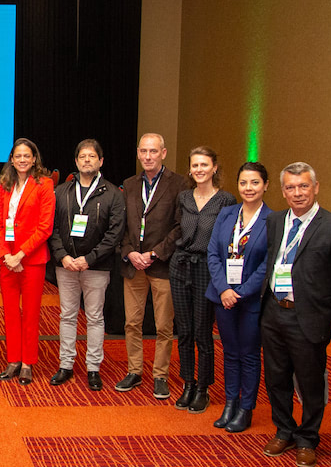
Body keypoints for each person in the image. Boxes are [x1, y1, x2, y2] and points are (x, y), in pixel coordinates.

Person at [259, 162, 331, 467]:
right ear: (283, 191)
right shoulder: (275, 221)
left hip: (309, 317)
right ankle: (284, 430)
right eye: (291, 187)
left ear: (315, 188)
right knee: (276, 377)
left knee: (311, 382)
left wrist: (325, 311)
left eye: (303, 186)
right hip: (273, 311)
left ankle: (307, 438)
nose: (297, 193)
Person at [48, 139, 126, 391]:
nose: (87, 160)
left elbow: (114, 234)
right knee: (67, 316)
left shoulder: (113, 194)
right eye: (82, 156)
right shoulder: (61, 192)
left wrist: (89, 258)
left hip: (96, 266)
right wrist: (63, 256)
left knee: (94, 317)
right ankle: (66, 365)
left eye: (92, 156)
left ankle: (93, 368)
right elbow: (52, 228)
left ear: (101, 161)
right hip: (66, 265)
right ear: (76, 161)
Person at [205, 162, 275, 432]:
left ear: (266, 185)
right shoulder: (227, 214)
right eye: (244, 182)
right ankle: (230, 403)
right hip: (223, 296)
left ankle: (246, 408)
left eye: (255, 182)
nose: (249, 188)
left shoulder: (273, 220)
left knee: (249, 354)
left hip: (251, 300)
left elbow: (267, 265)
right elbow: (213, 253)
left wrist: (240, 292)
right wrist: (223, 289)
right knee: (230, 352)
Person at [171, 147, 236, 411]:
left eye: (204, 165)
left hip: (208, 269)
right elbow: (177, 228)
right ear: (190, 169)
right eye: (195, 165)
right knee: (184, 330)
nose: (199, 170)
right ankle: (188, 382)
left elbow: (228, 238)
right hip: (180, 266)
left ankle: (203, 387)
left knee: (202, 332)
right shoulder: (184, 197)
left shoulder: (226, 200)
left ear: (214, 168)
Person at [116, 133, 181, 394]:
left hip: (161, 264)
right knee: (132, 323)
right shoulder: (129, 184)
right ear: (138, 153)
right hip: (134, 264)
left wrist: (155, 254)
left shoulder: (178, 184)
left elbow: (179, 227)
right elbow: (121, 225)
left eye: (153, 151)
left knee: (164, 325)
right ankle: (134, 371)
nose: (148, 156)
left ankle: (160, 375)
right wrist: (129, 252)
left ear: (163, 153)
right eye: (143, 151)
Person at [0, 138, 55, 385]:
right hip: (7, 260)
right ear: (11, 159)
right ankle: (13, 360)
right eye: (17, 156)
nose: (22, 160)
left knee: (30, 313)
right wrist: (6, 255)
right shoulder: (5, 184)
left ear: (34, 158)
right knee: (10, 312)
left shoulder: (44, 184)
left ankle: (28, 362)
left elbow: (45, 227)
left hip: (31, 259)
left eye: (26, 156)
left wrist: (21, 254)